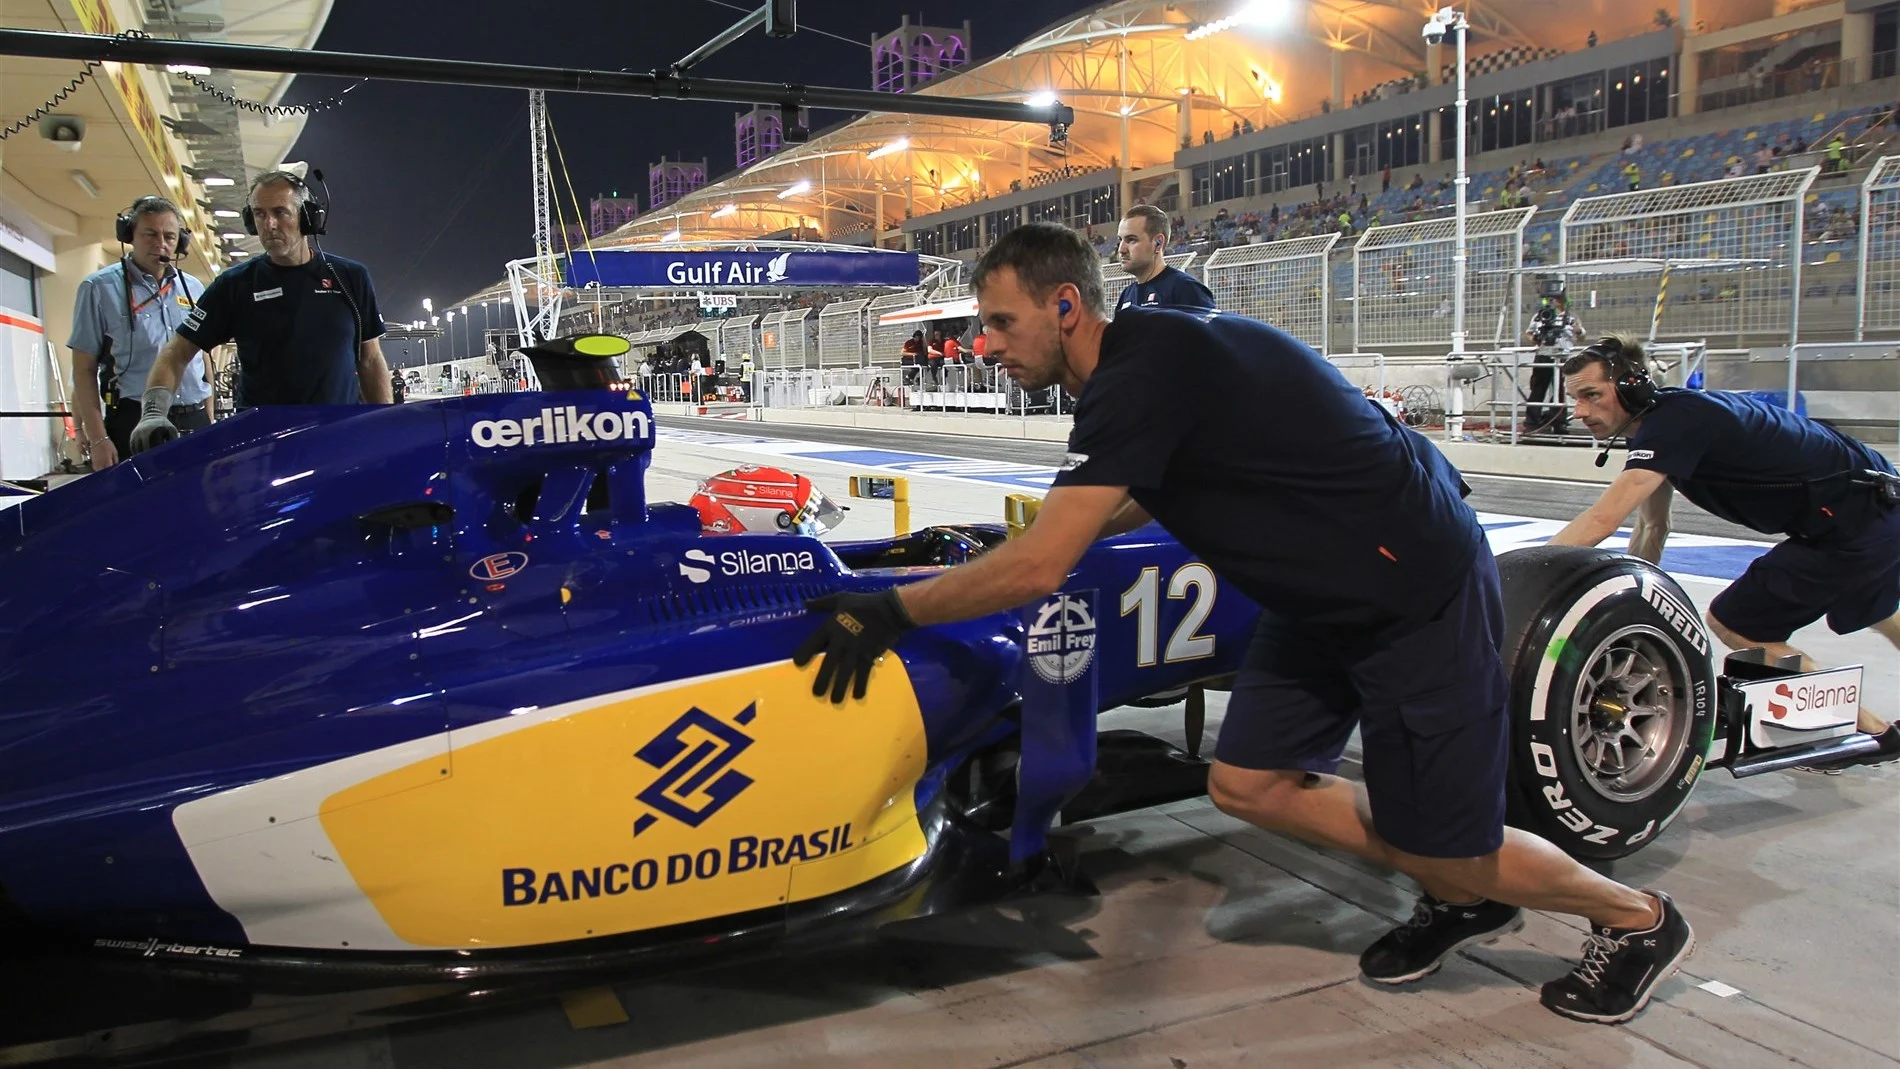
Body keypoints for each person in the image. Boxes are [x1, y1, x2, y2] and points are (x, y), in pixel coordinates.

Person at [794, 222, 1695, 1025]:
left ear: (1065, 305)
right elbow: (1142, 490)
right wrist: (1057, 522)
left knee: (1455, 846)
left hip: (1414, 595)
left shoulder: (1142, 370)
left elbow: (1040, 568)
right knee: (1248, 781)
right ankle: (1458, 892)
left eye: (999, 322)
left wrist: (892, 609)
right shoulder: (1143, 358)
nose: (984, 345)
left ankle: (1633, 919)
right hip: (1322, 596)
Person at [1549, 337, 1900, 770]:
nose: (1579, 412)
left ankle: (1874, 733)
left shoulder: (1676, 424)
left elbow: (1602, 521)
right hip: (1875, 507)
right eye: (1574, 399)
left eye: (1591, 395)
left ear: (1631, 387)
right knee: (1880, 612)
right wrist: (1637, 605)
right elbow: (1653, 525)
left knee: (1737, 622)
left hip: (1855, 520)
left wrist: (1510, 577)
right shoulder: (1661, 423)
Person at [129, 170, 390, 454]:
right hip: (262, 448)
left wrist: (385, 425)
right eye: (259, 214)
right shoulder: (235, 285)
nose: (269, 224)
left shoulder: (350, 277)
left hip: (337, 441)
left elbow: (371, 359)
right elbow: (176, 353)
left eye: (280, 212)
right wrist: (153, 412)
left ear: (306, 218)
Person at [66, 195, 213, 469]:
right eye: (150, 234)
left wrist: (209, 415)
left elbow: (201, 358)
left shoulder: (192, 288)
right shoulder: (99, 289)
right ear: (129, 234)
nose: (161, 243)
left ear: (179, 241)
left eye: (169, 236)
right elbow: (83, 370)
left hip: (195, 420)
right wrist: (98, 438)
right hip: (134, 420)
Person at [1113, 205, 1215, 313]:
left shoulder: (1186, 289)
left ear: (1158, 243)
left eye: (1131, 240)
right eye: (1120, 240)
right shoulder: (1126, 295)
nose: (1121, 249)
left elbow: (1210, 329)